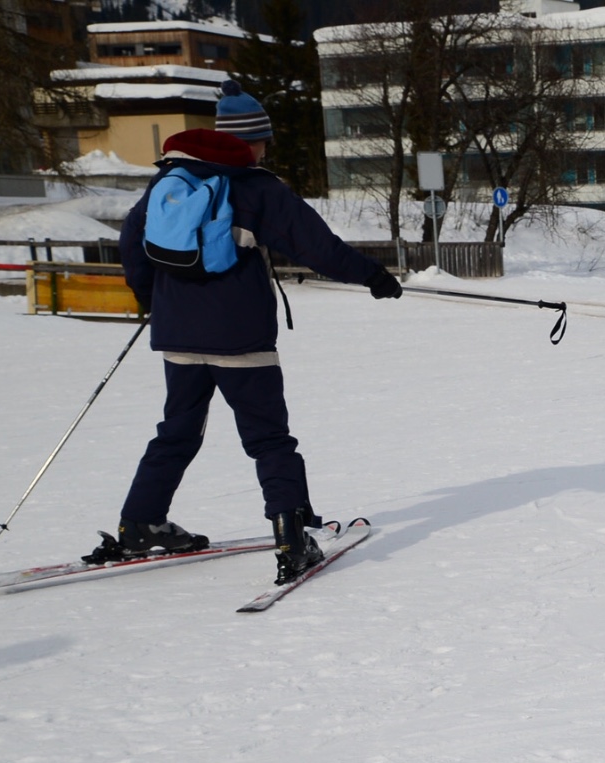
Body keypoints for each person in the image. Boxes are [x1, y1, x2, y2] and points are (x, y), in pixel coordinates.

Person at [103, 81, 401, 584]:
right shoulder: (258, 188)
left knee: (176, 432)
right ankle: (290, 537)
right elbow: (319, 247)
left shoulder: (167, 182)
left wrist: (151, 300)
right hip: (240, 340)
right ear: (252, 141)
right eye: (263, 140)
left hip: (177, 339)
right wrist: (373, 276)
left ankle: (139, 522)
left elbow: (132, 246)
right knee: (269, 439)